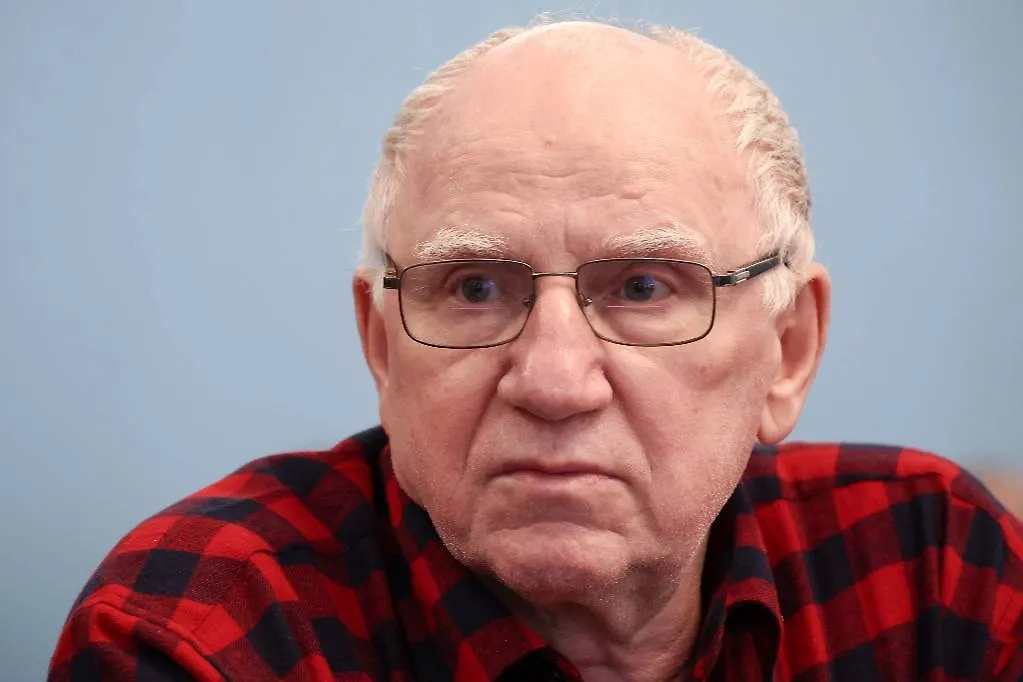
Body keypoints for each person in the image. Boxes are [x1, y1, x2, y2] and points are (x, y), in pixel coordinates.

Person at [49, 19, 1023, 682]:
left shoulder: (929, 565)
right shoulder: (208, 632)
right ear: (382, 347)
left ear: (789, 350)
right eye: (476, 288)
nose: (554, 382)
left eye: (643, 288)